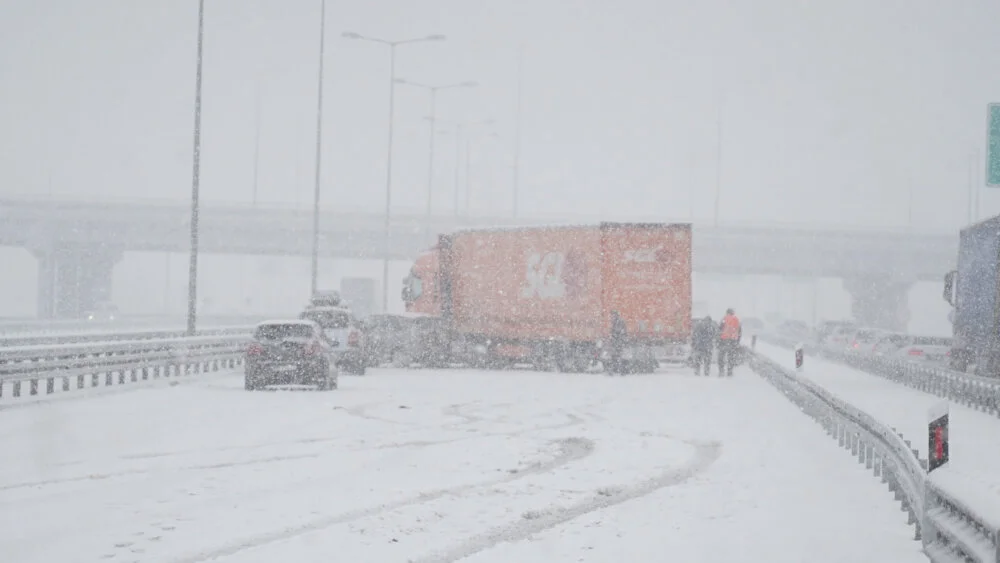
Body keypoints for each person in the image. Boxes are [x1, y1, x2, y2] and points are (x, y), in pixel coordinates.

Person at [717, 308, 742, 377]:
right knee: (731, 357)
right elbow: (739, 332)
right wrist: (737, 342)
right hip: (733, 341)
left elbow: (719, 330)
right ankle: (730, 372)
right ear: (733, 313)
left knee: (721, 357)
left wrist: (718, 341)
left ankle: (721, 371)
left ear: (727, 312)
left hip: (724, 340)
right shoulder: (737, 320)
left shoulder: (724, 319)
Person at [608, 310, 628, 375]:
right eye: (612, 315)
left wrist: (615, 335)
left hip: (618, 342)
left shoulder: (620, 322)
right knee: (613, 357)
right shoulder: (613, 322)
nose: (612, 316)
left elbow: (622, 331)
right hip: (615, 342)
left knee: (619, 357)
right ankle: (613, 371)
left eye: (614, 315)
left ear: (616, 315)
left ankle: (621, 371)